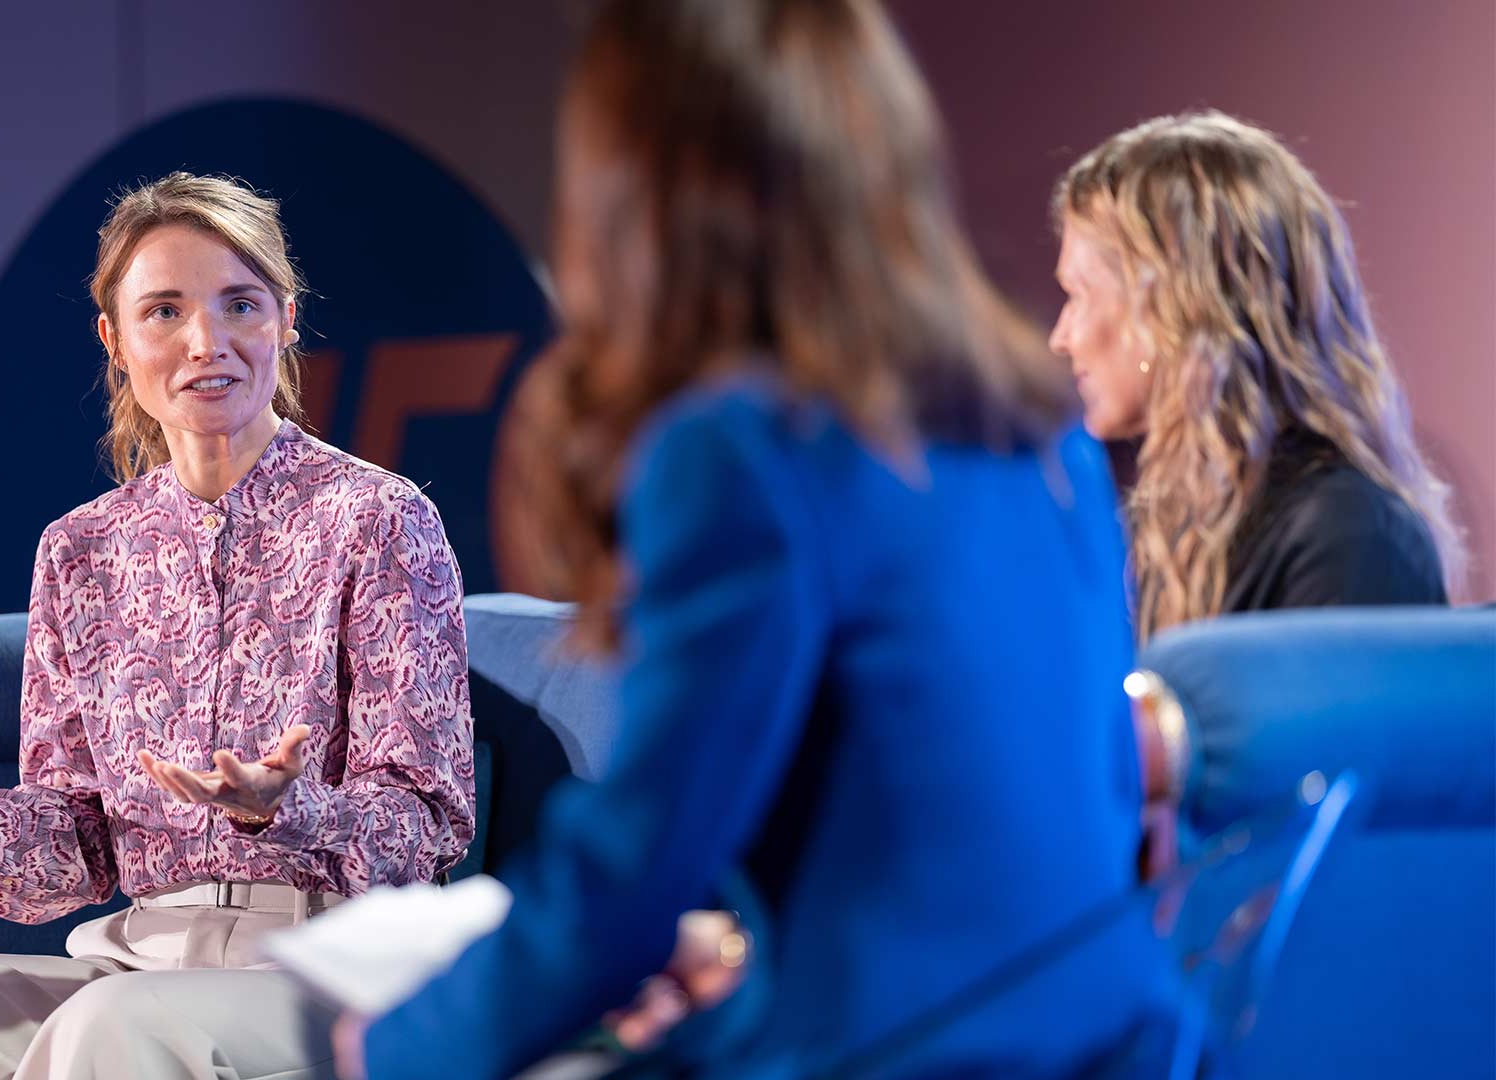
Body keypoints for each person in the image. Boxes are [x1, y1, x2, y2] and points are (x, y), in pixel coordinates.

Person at [336, 2, 1172, 1077]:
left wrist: (400, 1051)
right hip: (1109, 1045)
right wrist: (742, 949)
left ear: (641, 189)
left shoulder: (742, 450)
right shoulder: (1036, 428)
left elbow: (627, 879)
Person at [0, 172, 475, 1080]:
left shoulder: (378, 518)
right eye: (166, 311)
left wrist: (282, 811)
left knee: (113, 1025)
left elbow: (429, 822)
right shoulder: (81, 549)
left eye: (240, 304)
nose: (206, 343)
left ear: (286, 319)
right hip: (140, 954)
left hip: (328, 961)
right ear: (115, 339)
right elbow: (72, 849)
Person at [1049, 111, 1463, 640]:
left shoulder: (1347, 531)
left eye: (1080, 294)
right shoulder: (1160, 534)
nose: (1060, 338)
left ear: (1170, 307)